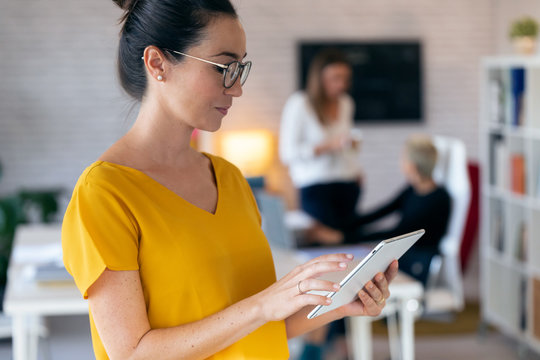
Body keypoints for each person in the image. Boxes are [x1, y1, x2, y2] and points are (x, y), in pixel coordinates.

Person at [61, 1, 398, 359]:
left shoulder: (230, 179)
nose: (236, 88)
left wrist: (344, 301)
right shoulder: (105, 194)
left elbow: (257, 327)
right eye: (224, 67)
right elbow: (131, 353)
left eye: (240, 68)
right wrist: (262, 305)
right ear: (157, 64)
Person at [279, 48, 363, 246]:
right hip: (315, 189)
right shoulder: (300, 104)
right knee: (323, 250)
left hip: (348, 184)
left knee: (350, 249)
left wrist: (357, 169)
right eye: (335, 78)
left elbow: (345, 144)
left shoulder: (346, 103)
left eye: (345, 78)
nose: (341, 84)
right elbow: (287, 153)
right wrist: (326, 146)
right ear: (320, 78)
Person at [352, 134, 452, 285]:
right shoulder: (412, 190)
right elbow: (381, 211)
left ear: (412, 165)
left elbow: (397, 233)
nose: (401, 162)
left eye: (403, 157)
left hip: (418, 261)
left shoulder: (438, 199)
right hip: (404, 254)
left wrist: (346, 237)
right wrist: (341, 228)